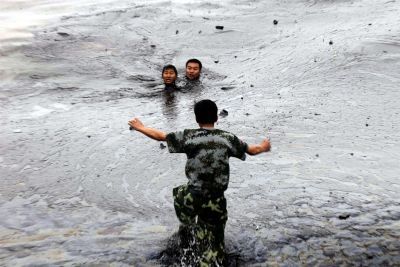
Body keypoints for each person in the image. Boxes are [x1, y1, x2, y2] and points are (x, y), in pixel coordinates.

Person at [128, 99, 271, 266]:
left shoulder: (189, 136)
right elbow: (252, 151)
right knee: (215, 240)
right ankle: (211, 257)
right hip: (216, 200)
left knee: (180, 193)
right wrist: (264, 146)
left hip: (191, 197)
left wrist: (141, 127)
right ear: (217, 117)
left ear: (196, 119)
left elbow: (160, 136)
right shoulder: (228, 138)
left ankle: (186, 233)